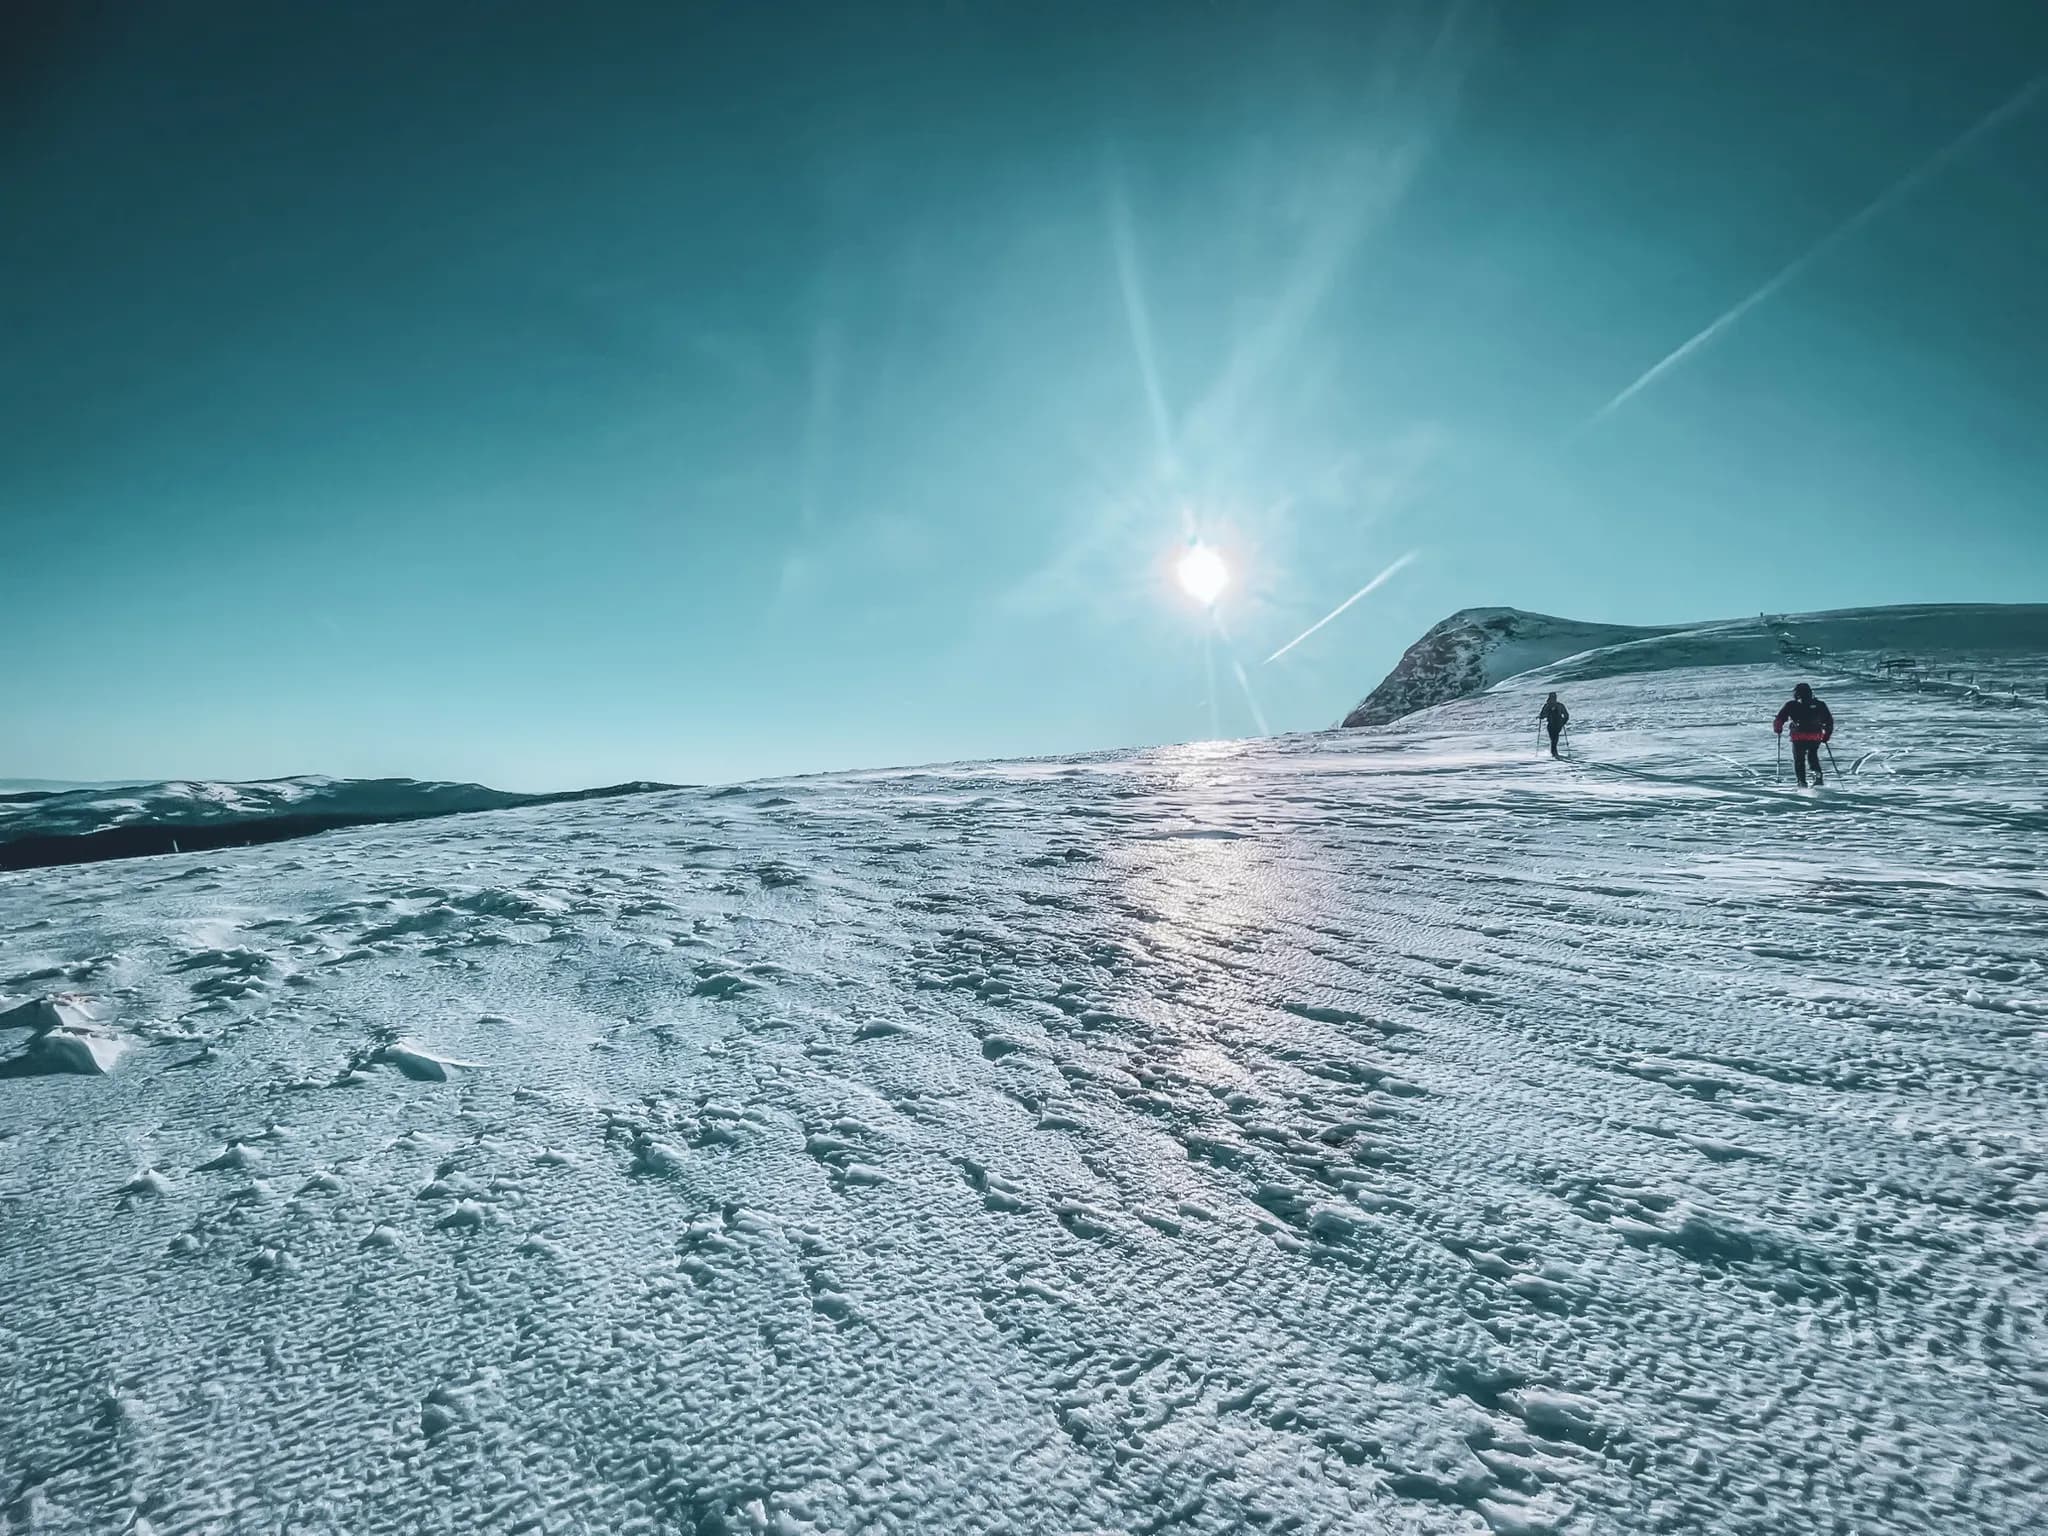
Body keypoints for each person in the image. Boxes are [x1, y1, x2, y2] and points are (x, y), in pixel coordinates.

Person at [1773, 682, 1834, 786]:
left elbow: (1780, 718)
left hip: (1798, 736)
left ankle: (1801, 781)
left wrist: (1778, 728)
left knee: (1799, 759)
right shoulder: (1820, 704)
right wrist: (1826, 735)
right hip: (1815, 736)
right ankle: (1817, 774)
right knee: (1813, 756)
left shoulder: (1791, 705)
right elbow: (1828, 721)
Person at [1538, 692, 1569, 758]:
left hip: (1558, 725)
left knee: (1555, 739)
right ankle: (1554, 753)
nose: (1553, 699)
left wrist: (1563, 722)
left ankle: (1554, 753)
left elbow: (1566, 715)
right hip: (1551, 725)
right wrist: (1541, 716)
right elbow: (1542, 715)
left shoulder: (1560, 705)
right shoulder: (1547, 706)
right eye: (1552, 697)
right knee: (1554, 739)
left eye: (1554, 697)